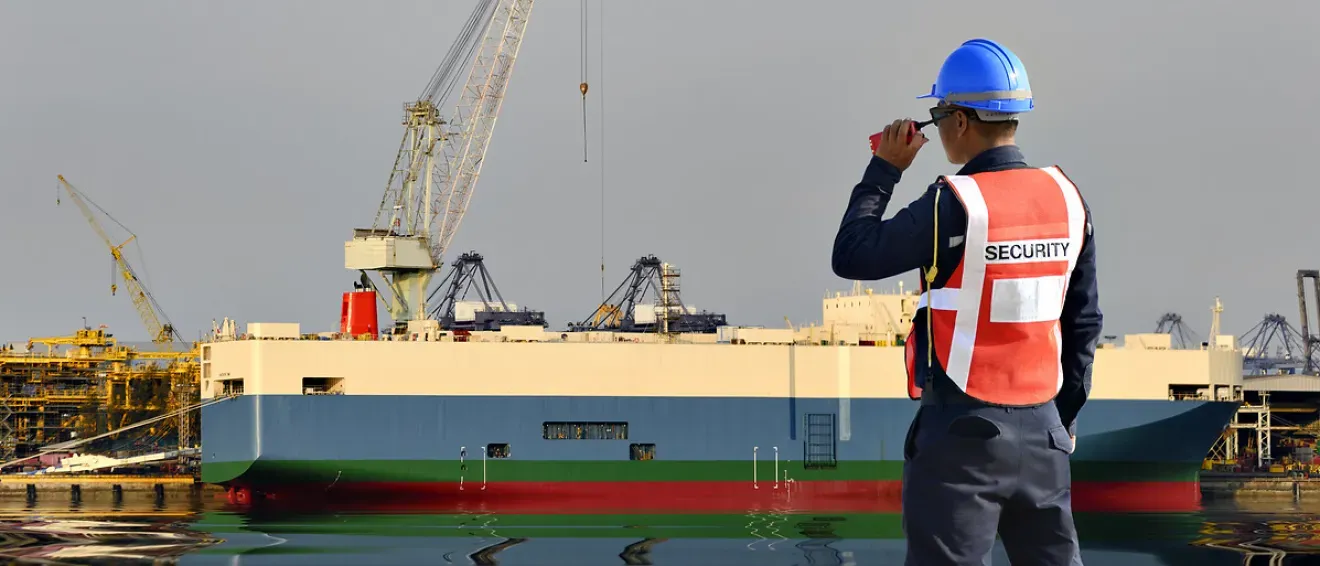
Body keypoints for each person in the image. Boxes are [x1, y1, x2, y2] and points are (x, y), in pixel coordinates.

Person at [832, 38, 1103, 565]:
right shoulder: (1069, 199)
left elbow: (854, 254)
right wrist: (1059, 419)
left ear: (959, 120)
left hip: (962, 438)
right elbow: (1085, 322)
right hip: (1046, 434)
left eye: (937, 113)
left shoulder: (952, 202)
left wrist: (884, 169)